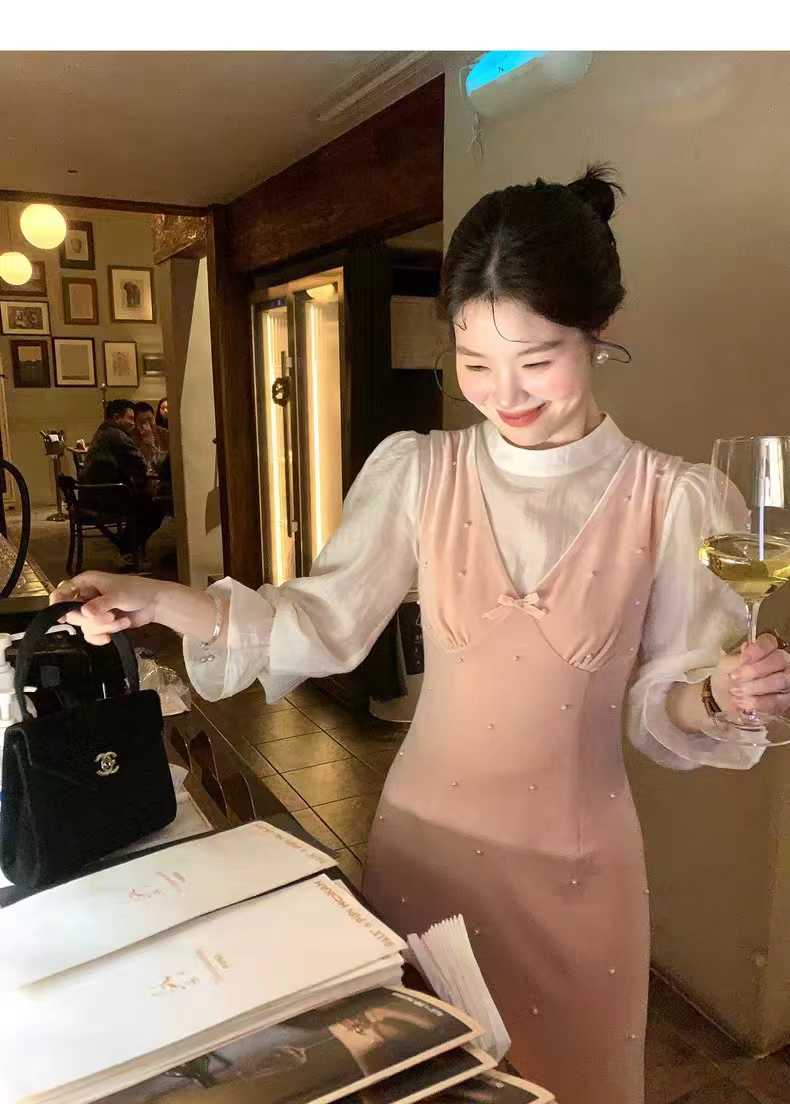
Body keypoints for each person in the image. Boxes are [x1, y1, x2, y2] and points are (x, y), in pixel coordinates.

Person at [52, 167, 790, 1104]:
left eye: (537, 360)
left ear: (599, 331)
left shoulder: (675, 498)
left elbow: (661, 703)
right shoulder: (420, 471)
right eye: (474, 364)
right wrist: (157, 599)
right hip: (425, 857)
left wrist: (718, 696)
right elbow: (319, 623)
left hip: (580, 878)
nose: (504, 393)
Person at [80, 398, 165, 569]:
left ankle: (128, 549)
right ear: (116, 417)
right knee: (157, 505)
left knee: (147, 500)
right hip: (105, 497)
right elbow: (141, 465)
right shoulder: (116, 435)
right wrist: (149, 445)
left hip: (92, 495)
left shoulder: (104, 431)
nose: (133, 423)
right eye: (130, 418)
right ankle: (126, 551)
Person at [133, 401, 169, 473]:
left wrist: (153, 446)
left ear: (154, 418)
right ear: (135, 423)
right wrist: (147, 445)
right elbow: (139, 464)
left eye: (150, 419)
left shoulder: (164, 433)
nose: (147, 424)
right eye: (142, 421)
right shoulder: (132, 436)